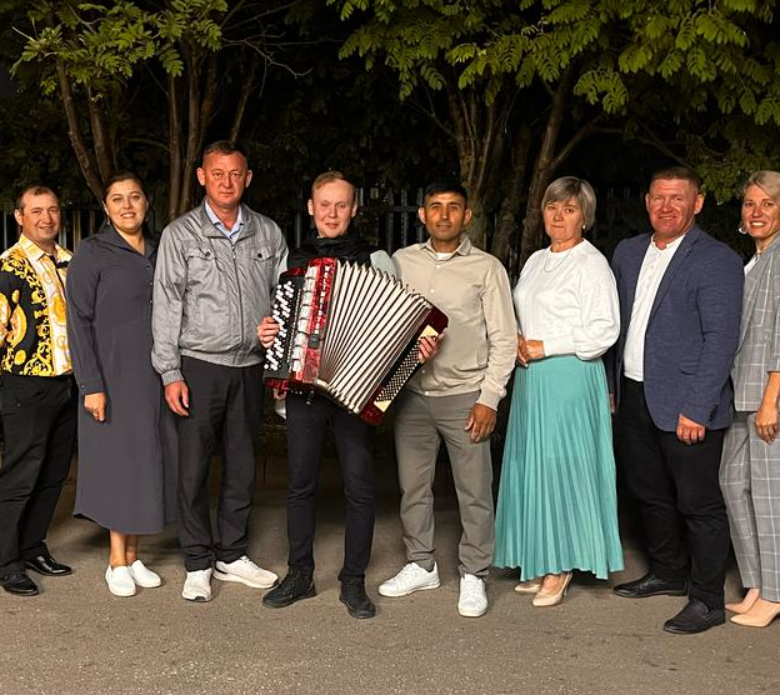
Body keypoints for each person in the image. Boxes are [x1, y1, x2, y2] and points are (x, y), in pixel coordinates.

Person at [256, 172, 414, 620]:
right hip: (305, 388)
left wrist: (400, 362)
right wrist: (269, 333)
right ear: (311, 208)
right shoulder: (292, 259)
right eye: (324, 204)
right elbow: (278, 321)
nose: (332, 213)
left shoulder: (377, 260)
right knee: (299, 485)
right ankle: (300, 574)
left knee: (360, 487)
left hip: (354, 389)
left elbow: (398, 327)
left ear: (354, 209)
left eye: (341, 205)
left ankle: (353, 581)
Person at [607, 166, 743, 635]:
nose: (666, 207)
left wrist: (698, 406)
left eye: (677, 198)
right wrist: (611, 386)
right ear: (647, 201)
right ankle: (668, 571)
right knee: (648, 493)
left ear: (697, 203)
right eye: (658, 197)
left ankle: (707, 600)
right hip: (634, 393)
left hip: (686, 402)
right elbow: (618, 325)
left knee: (698, 503)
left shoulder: (717, 259)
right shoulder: (627, 252)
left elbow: (721, 340)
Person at [152, 140, 288, 603]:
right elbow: (166, 305)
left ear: (247, 178)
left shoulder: (268, 233)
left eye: (235, 174)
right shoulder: (181, 234)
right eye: (218, 173)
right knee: (192, 468)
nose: (227, 182)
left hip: (249, 366)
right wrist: (171, 372)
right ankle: (197, 561)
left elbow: (285, 298)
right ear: (202, 177)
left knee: (243, 465)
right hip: (199, 366)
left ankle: (231, 554)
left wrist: (278, 338)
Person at [379, 182, 518, 619]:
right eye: (435, 207)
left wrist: (489, 398)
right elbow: (382, 325)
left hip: (466, 396)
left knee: (473, 492)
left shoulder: (487, 268)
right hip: (413, 395)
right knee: (412, 487)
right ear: (422, 215)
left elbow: (505, 339)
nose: (443, 215)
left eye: (453, 207)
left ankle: (475, 572)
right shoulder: (402, 262)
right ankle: (422, 564)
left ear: (467, 216)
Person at [494, 177, 623, 607]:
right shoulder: (536, 260)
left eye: (569, 209)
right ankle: (540, 556)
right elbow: (522, 311)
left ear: (584, 217)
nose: (558, 216)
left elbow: (605, 329)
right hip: (532, 378)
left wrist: (545, 346)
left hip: (569, 376)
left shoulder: (591, 264)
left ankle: (561, 564)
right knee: (533, 466)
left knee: (561, 467)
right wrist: (517, 338)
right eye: (552, 207)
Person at [67, 172, 177, 598]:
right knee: (119, 463)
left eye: (134, 197)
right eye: (117, 199)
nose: (127, 206)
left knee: (147, 460)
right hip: (111, 375)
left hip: (155, 373)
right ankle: (115, 560)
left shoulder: (161, 248)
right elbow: (78, 321)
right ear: (106, 207)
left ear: (146, 202)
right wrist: (90, 384)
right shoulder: (92, 252)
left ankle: (134, 556)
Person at [719, 171, 780, 629]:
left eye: (767, 204)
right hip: (746, 394)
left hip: (774, 396)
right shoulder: (757, 259)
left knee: (772, 493)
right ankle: (756, 584)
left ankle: (777, 594)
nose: (756, 212)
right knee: (732, 482)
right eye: (750, 203)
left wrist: (771, 398)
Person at [0, 186, 78, 596]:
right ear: (20, 216)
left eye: (52, 209)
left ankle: (33, 546)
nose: (46, 218)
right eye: (36, 211)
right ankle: (5, 561)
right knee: (20, 474)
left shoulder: (69, 261)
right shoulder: (9, 265)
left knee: (53, 473)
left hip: (67, 382)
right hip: (26, 385)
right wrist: (13, 368)